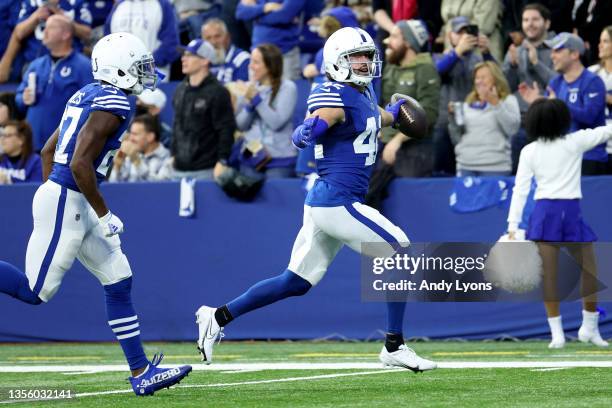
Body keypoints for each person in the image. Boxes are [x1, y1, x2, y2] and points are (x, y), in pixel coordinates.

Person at [195, 27, 437, 372]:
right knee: (399, 249)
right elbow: (323, 116)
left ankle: (216, 317)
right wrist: (309, 129)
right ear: (338, 62)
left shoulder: (363, 94)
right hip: (336, 202)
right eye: (358, 57)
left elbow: (373, 118)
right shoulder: (334, 93)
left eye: (369, 56)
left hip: (329, 202)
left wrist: (396, 114)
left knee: (294, 282)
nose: (366, 63)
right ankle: (394, 346)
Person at [0, 32, 191, 396]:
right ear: (118, 69)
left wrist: (58, 195)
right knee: (35, 292)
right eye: (138, 67)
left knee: (119, 279)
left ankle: (141, 371)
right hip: (71, 197)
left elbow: (46, 151)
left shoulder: (86, 92)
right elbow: (79, 163)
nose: (144, 74)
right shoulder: (114, 102)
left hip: (69, 198)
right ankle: (139, 370)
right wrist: (100, 213)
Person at [507, 98, 612, 348]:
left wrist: (513, 225)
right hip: (548, 214)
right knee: (555, 275)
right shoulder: (535, 150)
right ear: (563, 119)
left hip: (567, 213)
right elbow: (520, 189)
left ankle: (589, 328)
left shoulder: (571, 143)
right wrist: (512, 225)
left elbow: (520, 191)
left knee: (587, 272)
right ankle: (557, 333)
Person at [519, 33, 607, 175]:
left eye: (558, 51)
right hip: (560, 157)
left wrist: (558, 104)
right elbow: (550, 123)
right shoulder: (555, 83)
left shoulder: (592, 81)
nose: (552, 56)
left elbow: (589, 116)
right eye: (552, 51)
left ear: (574, 54)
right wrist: (539, 105)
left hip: (589, 157)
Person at [15, 14, 93, 151]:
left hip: (64, 148)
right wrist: (23, 98)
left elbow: (91, 105)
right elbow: (19, 99)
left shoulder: (84, 66)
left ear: (66, 34)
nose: (44, 32)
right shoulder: (36, 65)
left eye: (50, 28)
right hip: (31, 147)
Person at [171, 39, 235, 180]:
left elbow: (226, 129)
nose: (183, 59)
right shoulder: (180, 90)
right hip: (178, 168)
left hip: (206, 169)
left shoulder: (218, 92)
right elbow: (177, 125)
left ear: (205, 61)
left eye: (190, 55)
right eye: (184, 55)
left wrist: (222, 160)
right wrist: (173, 154)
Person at [234, 43, 297, 178]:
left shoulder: (287, 88)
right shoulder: (248, 88)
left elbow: (276, 123)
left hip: (280, 160)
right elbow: (240, 126)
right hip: (250, 157)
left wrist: (256, 100)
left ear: (269, 66)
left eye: (256, 62)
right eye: (251, 61)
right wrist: (249, 105)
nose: (250, 66)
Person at [449, 61, 520, 176]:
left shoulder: (508, 100)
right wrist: (453, 119)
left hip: (495, 168)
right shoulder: (467, 103)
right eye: (477, 78)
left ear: (495, 79)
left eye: (483, 77)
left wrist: (496, 104)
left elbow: (512, 129)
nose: (479, 81)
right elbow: (456, 137)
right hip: (465, 166)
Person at [0, 0, 92, 83]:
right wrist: (35, 17)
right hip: (33, 63)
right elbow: (19, 33)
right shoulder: (32, 2)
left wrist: (63, 19)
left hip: (70, 62)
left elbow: (87, 34)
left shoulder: (76, 2)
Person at [105, 0, 180, 79]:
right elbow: (107, 40)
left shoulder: (163, 4)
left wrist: (145, 64)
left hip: (151, 76)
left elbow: (171, 44)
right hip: (120, 73)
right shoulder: (119, 5)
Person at [235, 0, 306, 80]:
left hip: (285, 54)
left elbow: (284, 16)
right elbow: (241, 12)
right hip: (258, 54)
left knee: (287, 89)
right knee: (256, 91)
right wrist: (264, 8)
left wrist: (255, 16)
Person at [109, 114, 172, 182]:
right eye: (131, 134)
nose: (130, 138)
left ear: (150, 137)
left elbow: (159, 188)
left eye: (135, 134)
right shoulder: (129, 157)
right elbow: (115, 190)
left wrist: (136, 160)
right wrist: (117, 166)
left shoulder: (168, 159)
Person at [588, 26, 612, 171]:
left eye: (605, 41)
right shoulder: (591, 73)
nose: (600, 45)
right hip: (596, 144)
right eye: (600, 41)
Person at [202, 17, 250, 84]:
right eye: (208, 38)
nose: (213, 42)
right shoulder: (202, 62)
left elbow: (242, 91)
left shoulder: (243, 60)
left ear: (228, 37)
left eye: (217, 36)